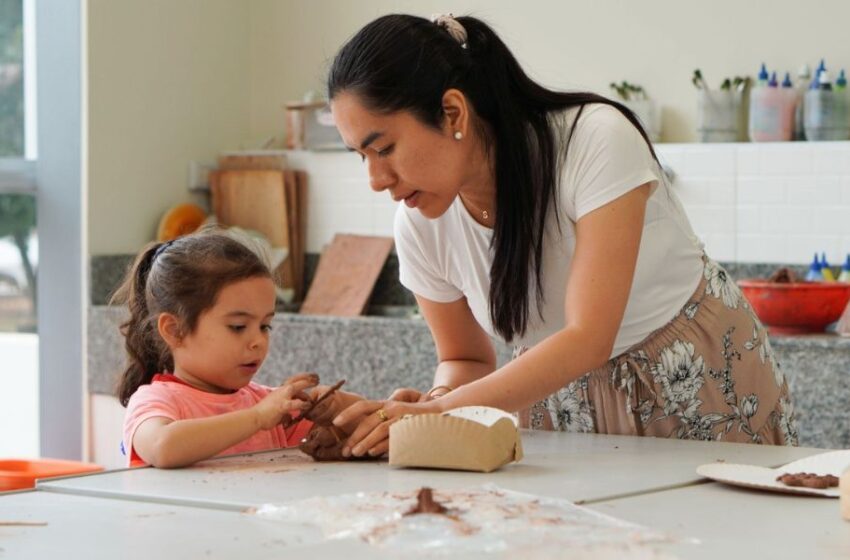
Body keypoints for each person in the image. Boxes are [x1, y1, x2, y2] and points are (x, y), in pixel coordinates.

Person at [326, 13, 799, 458]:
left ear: (453, 113)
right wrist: (437, 401)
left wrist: (435, 411)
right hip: (554, 403)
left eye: (383, 148)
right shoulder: (419, 222)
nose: (375, 178)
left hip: (693, 379)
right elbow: (465, 357)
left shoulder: (593, 140)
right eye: (359, 156)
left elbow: (588, 337)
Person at [114, 229, 359, 468]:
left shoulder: (267, 404)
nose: (258, 341)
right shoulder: (157, 400)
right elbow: (162, 447)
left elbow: (362, 429)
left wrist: (338, 408)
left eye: (265, 326)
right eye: (238, 326)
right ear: (174, 330)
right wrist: (257, 418)